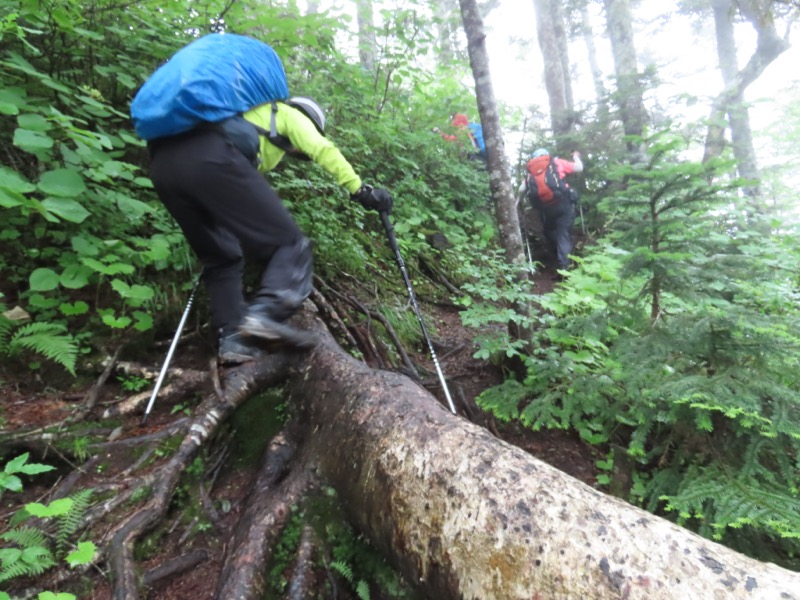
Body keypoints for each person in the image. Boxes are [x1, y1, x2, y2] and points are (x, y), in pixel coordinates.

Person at [147, 97, 393, 364]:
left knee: (222, 256)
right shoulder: (289, 114)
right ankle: (265, 315)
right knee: (290, 244)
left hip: (165, 167)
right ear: (309, 119)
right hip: (212, 159)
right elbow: (323, 148)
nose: (297, 153)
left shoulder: (239, 113)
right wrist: (360, 190)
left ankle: (232, 339)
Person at [518, 148, 583, 274]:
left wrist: (519, 201)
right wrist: (575, 156)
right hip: (563, 204)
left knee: (549, 231)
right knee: (563, 234)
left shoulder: (531, 172)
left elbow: (522, 190)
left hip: (545, 208)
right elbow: (579, 168)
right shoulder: (556, 162)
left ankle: (557, 254)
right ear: (547, 155)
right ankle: (564, 267)